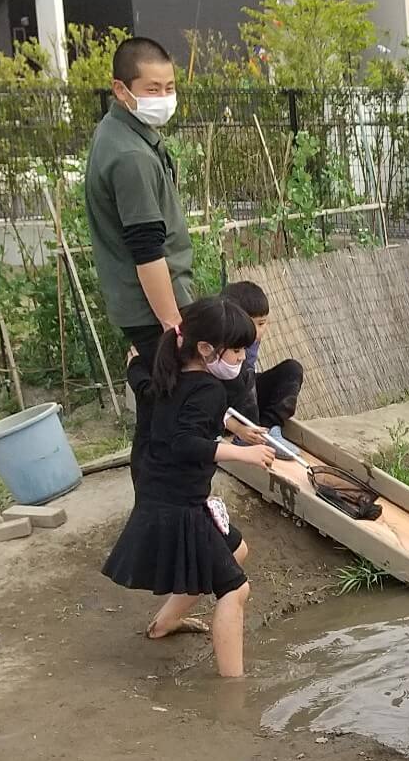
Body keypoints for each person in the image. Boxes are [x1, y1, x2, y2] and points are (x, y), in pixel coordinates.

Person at [102, 297, 275, 677]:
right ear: (206, 349)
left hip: (160, 492)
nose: (243, 358)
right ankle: (235, 687)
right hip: (180, 506)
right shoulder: (209, 390)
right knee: (235, 589)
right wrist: (242, 453)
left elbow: (148, 390)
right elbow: (185, 442)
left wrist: (236, 427)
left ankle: (163, 624)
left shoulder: (171, 374)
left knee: (237, 549)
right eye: (237, 350)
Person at [84, 36, 193, 361]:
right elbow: (147, 251)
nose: (164, 98)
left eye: (169, 87)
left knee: (155, 398)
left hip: (142, 308)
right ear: (121, 90)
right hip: (155, 310)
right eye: (152, 89)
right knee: (180, 404)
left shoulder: (117, 131)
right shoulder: (132, 156)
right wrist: (173, 324)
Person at [219, 280, 304, 429]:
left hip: (247, 397)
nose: (257, 332)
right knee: (245, 371)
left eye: (261, 324)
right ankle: (252, 431)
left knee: (292, 370)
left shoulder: (252, 340)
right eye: (251, 324)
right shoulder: (219, 340)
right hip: (222, 401)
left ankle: (269, 429)